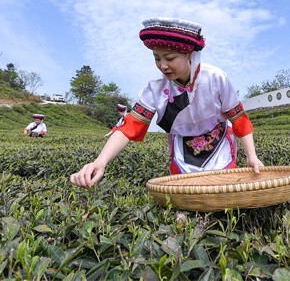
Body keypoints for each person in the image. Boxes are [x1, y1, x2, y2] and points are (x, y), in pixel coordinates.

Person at [70, 17, 264, 188]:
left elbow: (238, 118)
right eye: (157, 58)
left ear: (189, 54)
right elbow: (129, 128)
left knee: (223, 188)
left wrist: (252, 156)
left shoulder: (216, 78)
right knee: (186, 192)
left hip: (217, 140)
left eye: (170, 58)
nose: (163, 65)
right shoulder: (154, 90)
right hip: (182, 145)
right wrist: (100, 162)